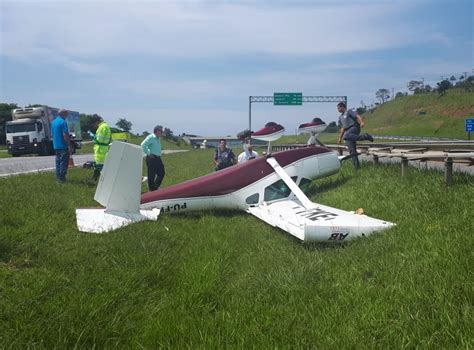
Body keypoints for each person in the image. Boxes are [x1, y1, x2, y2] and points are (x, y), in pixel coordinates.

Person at [337, 102, 374, 169]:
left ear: (342, 107)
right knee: (352, 151)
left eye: (339, 108)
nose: (338, 109)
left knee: (346, 136)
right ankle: (357, 167)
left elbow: (357, 116)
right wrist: (340, 138)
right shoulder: (340, 117)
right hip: (348, 132)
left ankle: (365, 136)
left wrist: (361, 122)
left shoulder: (349, 111)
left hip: (354, 127)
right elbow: (343, 128)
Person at [141, 125, 165, 191]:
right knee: (152, 175)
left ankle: (155, 187)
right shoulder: (151, 137)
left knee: (161, 173)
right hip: (151, 158)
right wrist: (148, 153)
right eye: (161, 131)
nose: (162, 132)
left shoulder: (157, 138)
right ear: (157, 131)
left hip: (157, 158)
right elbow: (143, 145)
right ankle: (152, 189)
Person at [51, 109, 71, 183]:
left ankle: (58, 177)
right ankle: (62, 179)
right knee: (63, 163)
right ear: (64, 114)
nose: (67, 116)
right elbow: (65, 134)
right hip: (63, 145)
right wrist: (69, 144)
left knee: (58, 162)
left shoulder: (53, 122)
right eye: (66, 114)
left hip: (56, 145)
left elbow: (52, 134)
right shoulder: (63, 122)